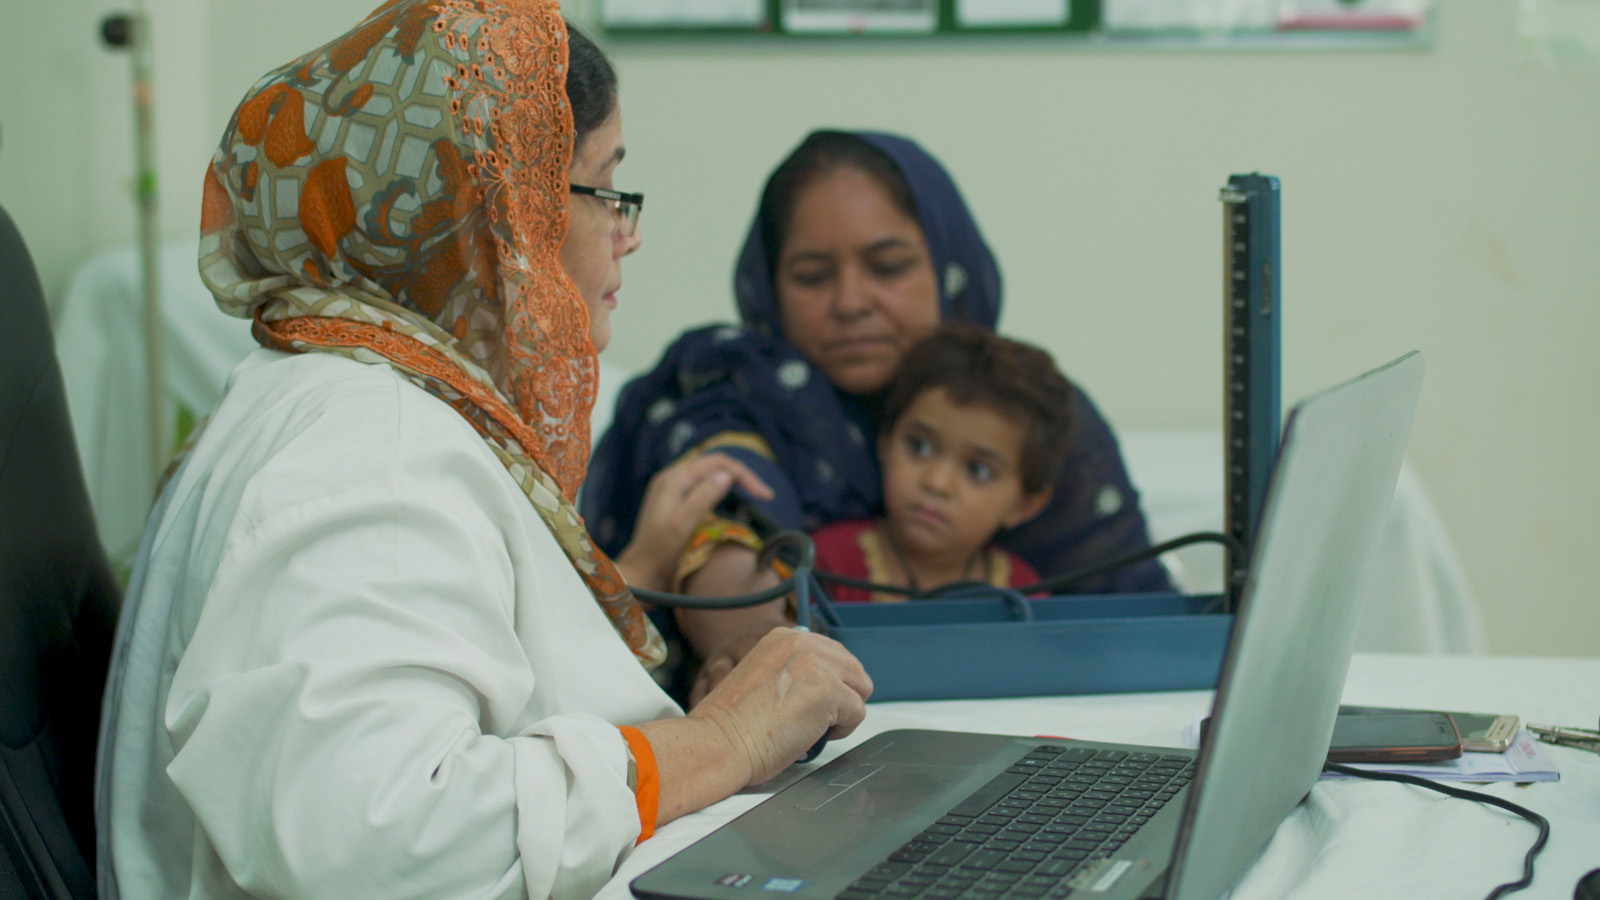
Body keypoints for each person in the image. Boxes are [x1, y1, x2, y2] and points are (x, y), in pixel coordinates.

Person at [94, 5, 870, 899]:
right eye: (604, 189)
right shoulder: (370, 446)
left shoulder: (351, 384)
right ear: (501, 216)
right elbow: (374, 837)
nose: (630, 232)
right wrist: (723, 742)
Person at [582, 130, 1171, 704]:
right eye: (813, 276)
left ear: (946, 265)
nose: (851, 302)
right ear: (771, 286)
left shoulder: (1022, 410)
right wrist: (758, 651)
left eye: (887, 267)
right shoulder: (732, 386)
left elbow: (1147, 628)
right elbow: (721, 531)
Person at [810, 323, 1071, 604]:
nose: (937, 483)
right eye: (919, 447)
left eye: (978, 470)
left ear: (1025, 504)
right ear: (885, 443)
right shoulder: (826, 563)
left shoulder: (1023, 593)